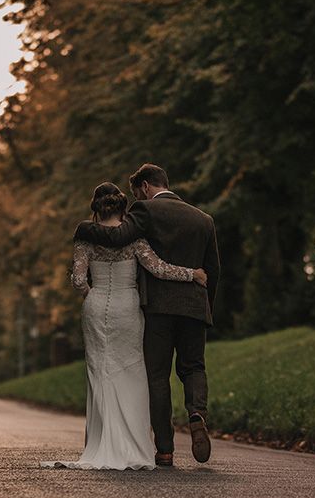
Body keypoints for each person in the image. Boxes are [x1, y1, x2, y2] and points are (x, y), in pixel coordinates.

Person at [41, 182, 207, 470]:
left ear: (96, 206)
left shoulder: (85, 239)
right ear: (122, 207)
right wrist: (192, 274)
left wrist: (88, 293)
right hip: (127, 309)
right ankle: (133, 445)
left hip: (95, 308)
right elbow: (159, 268)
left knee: (99, 374)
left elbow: (79, 280)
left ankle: (102, 443)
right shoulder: (135, 240)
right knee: (131, 372)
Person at [73, 164, 220, 466]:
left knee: (156, 376)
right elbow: (210, 270)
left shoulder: (144, 212)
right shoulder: (204, 219)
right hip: (191, 305)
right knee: (193, 367)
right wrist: (204, 302)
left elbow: (111, 243)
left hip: (155, 310)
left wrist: (83, 230)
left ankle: (164, 450)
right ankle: (196, 413)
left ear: (143, 186)